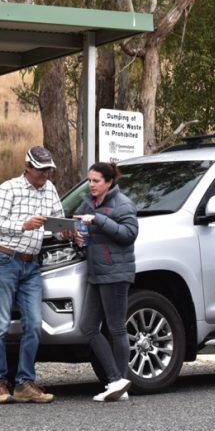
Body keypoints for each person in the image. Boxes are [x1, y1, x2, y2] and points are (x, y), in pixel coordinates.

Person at [0, 145, 68, 404]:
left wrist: (66, 232)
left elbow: (57, 222)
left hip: (31, 265)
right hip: (5, 260)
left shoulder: (50, 189)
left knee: (34, 324)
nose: (46, 175)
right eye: (41, 170)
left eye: (48, 170)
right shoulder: (9, 188)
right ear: (27, 167)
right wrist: (22, 225)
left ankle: (24, 383)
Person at [75, 161, 139, 403]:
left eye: (96, 181)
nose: (91, 185)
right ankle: (117, 381)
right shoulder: (87, 203)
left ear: (109, 182)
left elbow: (128, 235)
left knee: (116, 327)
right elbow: (83, 229)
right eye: (89, 180)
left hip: (116, 273)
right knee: (88, 327)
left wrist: (98, 221)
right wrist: (77, 235)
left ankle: (117, 380)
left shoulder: (123, 204)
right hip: (96, 272)